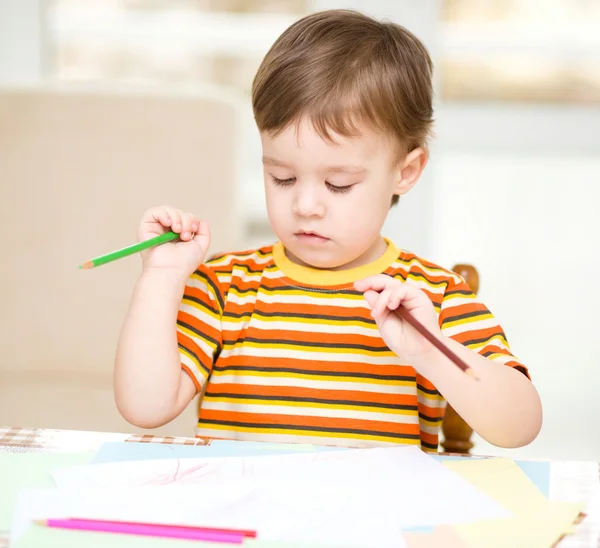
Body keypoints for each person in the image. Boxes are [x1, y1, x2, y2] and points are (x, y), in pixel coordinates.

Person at [114, 9, 542, 451]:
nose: (305, 205)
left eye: (339, 184)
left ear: (406, 171)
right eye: (282, 177)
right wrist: (161, 279)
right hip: (252, 518)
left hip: (375, 521)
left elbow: (520, 427)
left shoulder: (431, 296)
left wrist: (433, 352)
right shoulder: (226, 287)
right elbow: (144, 409)